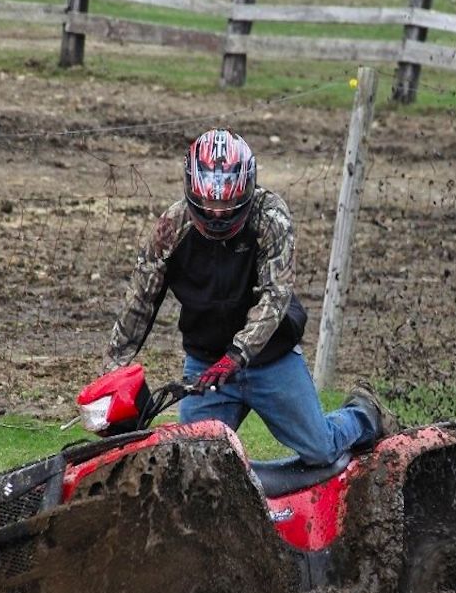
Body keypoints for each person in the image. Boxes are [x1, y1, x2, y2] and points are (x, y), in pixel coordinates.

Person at [100, 128, 398, 467]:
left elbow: (276, 294)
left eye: (226, 202)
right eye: (209, 201)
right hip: (207, 368)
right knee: (192, 467)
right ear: (191, 189)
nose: (216, 213)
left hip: (271, 359)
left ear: (246, 188)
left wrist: (238, 355)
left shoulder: (271, 216)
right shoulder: (171, 227)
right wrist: (113, 369)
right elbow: (140, 299)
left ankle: (363, 413)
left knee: (321, 450)